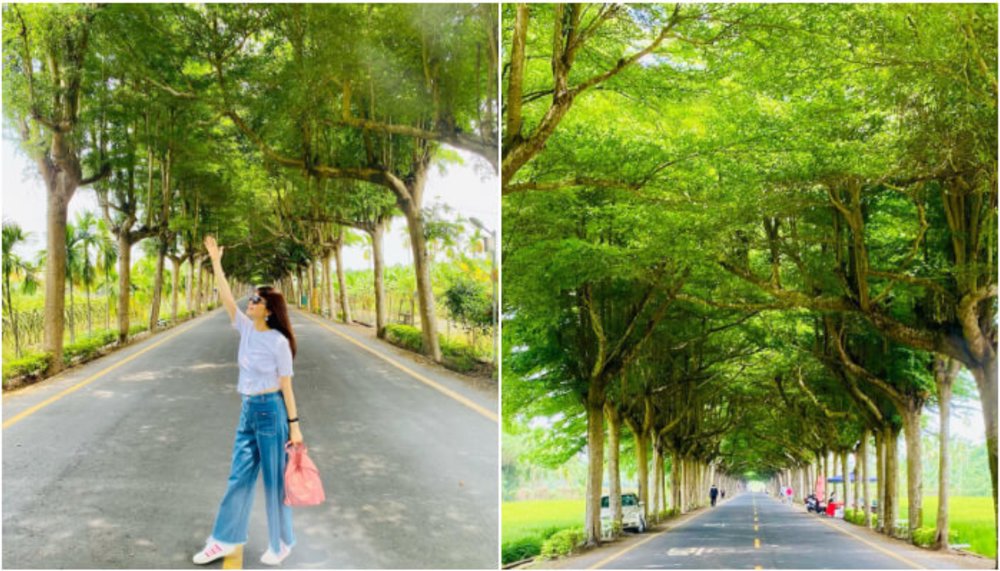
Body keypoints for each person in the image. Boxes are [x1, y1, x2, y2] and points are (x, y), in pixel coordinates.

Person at [193, 235, 303, 567]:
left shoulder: (279, 342)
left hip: (272, 412)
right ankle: (224, 540)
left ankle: (282, 542)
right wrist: (216, 261)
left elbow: (286, 387)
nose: (250, 302)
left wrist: (295, 428)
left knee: (273, 481)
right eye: (251, 297)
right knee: (238, 477)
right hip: (248, 412)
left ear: (269, 309)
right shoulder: (246, 328)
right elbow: (227, 297)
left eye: (256, 299)